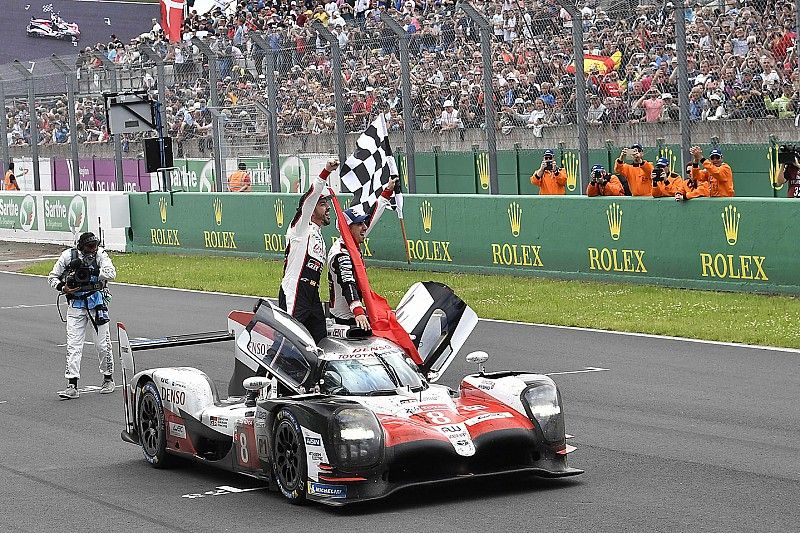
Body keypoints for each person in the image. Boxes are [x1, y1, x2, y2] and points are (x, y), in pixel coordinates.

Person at [47, 232, 116, 400]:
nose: (93, 250)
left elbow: (111, 273)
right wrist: (63, 287)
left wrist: (97, 273)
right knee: (73, 345)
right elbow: (52, 277)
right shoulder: (67, 256)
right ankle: (72, 385)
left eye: (95, 246)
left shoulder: (100, 255)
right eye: (89, 246)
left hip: (97, 303)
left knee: (102, 344)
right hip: (75, 305)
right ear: (81, 246)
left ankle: (108, 379)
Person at [279, 158, 339, 343]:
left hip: (313, 296)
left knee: (320, 343)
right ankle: (262, 373)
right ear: (311, 209)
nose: (328, 207)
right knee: (288, 344)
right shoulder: (300, 228)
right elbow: (309, 198)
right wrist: (325, 172)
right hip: (295, 291)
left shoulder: (318, 234)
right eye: (322, 204)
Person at [327, 177, 397, 329]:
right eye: (359, 224)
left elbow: (371, 219)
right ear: (347, 228)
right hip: (345, 321)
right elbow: (348, 283)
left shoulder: (350, 243)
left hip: (354, 316)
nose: (364, 227)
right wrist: (358, 311)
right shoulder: (341, 254)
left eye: (363, 223)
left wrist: (387, 192)